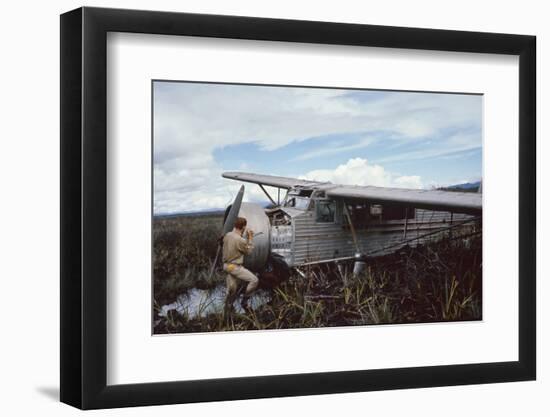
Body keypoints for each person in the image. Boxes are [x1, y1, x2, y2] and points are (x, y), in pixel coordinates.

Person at [222, 217, 259, 312]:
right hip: (234, 267)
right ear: (243, 227)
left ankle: (228, 308)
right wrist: (250, 238)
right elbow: (249, 251)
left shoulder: (227, 235)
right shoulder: (240, 240)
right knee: (254, 280)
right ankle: (245, 301)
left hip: (227, 266)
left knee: (232, 288)